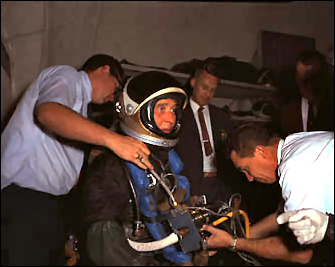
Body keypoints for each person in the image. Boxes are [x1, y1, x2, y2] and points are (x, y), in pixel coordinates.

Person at [1, 54, 153, 266]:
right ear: (104, 69)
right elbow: (48, 112)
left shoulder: (80, 109)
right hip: (24, 200)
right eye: (116, 87)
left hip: (47, 205)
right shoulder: (67, 75)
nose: (113, 96)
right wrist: (115, 141)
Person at [81, 71, 198, 266]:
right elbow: (103, 239)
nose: (170, 118)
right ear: (133, 110)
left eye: (174, 109)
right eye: (161, 108)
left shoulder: (166, 161)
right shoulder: (111, 166)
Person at [202, 122, 334, 265]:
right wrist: (240, 236)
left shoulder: (294, 167)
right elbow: (281, 214)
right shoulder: (296, 142)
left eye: (246, 169)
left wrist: (233, 243)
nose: (250, 178)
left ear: (261, 152)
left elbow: (301, 254)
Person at [174, 62, 235, 204]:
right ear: (193, 82)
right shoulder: (178, 115)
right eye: (204, 87)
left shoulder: (222, 117)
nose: (208, 94)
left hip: (219, 189)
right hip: (188, 188)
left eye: (213, 90)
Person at [275, 49, 334, 137]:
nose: (309, 85)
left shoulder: (328, 106)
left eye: (313, 77)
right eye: (304, 80)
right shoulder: (285, 107)